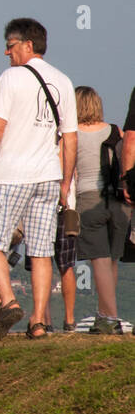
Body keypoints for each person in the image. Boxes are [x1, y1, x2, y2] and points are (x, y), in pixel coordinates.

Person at [0, 18, 77, 340]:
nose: (7, 52)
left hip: (10, 174)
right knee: (42, 250)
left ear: (28, 45)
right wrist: (64, 182)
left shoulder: (12, 77)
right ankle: (39, 323)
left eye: (11, 45)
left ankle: (8, 302)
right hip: (48, 176)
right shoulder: (64, 82)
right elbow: (69, 139)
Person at [74, 86, 128, 334]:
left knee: (99, 260)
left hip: (89, 198)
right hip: (119, 202)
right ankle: (105, 314)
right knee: (112, 261)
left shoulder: (72, 135)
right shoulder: (115, 130)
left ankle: (110, 317)